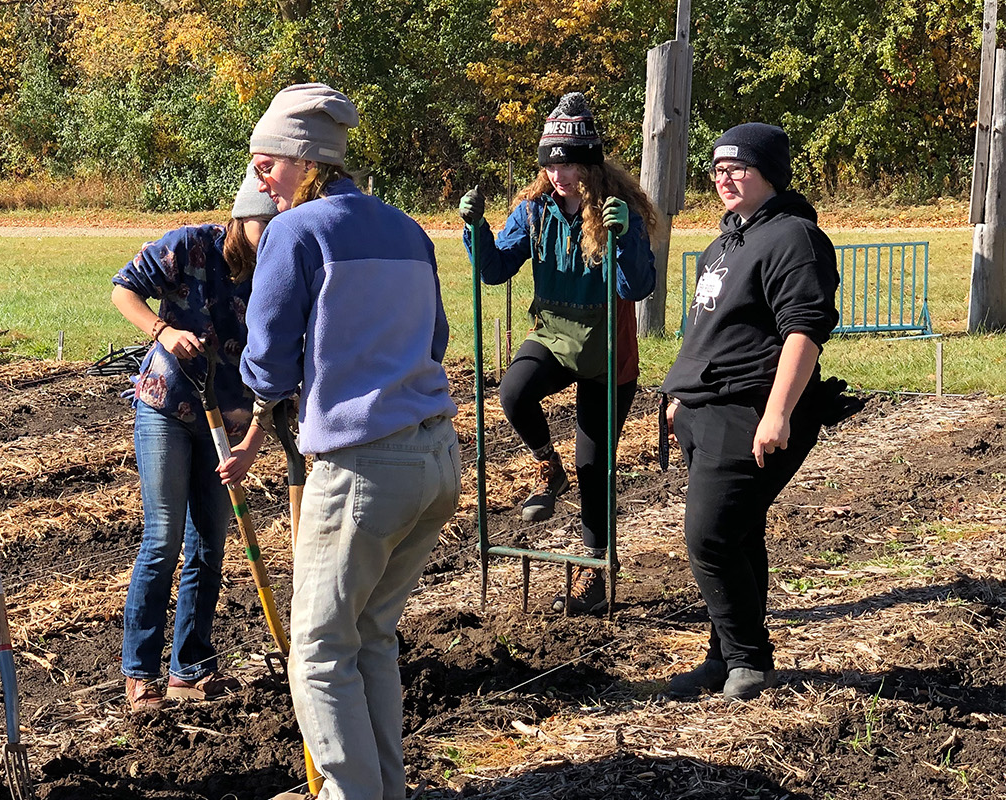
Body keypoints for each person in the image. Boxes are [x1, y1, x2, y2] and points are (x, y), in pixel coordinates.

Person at [242, 83, 460, 800]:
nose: (259, 179)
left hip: (365, 468)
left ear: (304, 163)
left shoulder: (297, 232)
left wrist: (261, 383)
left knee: (317, 649)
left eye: (266, 164)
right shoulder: (406, 229)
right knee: (368, 637)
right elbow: (436, 339)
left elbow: (267, 361)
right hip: (435, 460)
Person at [458, 91, 658, 614]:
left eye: (569, 163)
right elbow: (495, 270)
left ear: (590, 162)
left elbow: (636, 286)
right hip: (553, 335)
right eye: (551, 165)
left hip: (607, 357)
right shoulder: (535, 211)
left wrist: (624, 238)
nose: (560, 175)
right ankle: (549, 467)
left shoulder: (617, 213)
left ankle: (594, 570)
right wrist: (476, 230)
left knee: (596, 469)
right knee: (513, 390)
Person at [661, 123, 839, 701]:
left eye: (738, 166)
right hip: (704, 410)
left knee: (710, 535)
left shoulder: (795, 238)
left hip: (749, 408)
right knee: (736, 535)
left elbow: (804, 331)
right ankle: (725, 657)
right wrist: (680, 398)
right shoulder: (725, 243)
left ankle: (748, 660)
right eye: (717, 166)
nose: (724, 175)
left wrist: (778, 413)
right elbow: (710, 330)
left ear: (769, 172)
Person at [112, 164, 277, 711]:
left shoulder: (279, 271)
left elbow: (282, 370)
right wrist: (164, 331)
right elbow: (123, 290)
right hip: (167, 406)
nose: (273, 238)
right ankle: (140, 671)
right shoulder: (190, 247)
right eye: (266, 227)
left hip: (226, 419)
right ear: (243, 218)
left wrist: (251, 440)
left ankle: (191, 666)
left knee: (210, 542)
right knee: (163, 538)